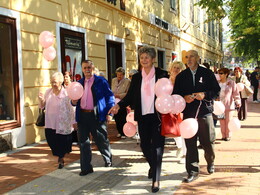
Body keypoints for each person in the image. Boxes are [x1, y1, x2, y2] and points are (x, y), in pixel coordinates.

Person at [109, 46, 168, 193]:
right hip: (143, 117)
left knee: (158, 148)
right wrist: (118, 105)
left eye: (147, 57)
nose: (144, 60)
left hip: (158, 116)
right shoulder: (136, 78)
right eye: (142, 58)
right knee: (144, 146)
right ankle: (153, 166)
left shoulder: (162, 74)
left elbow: (168, 92)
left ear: (153, 59)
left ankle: (156, 179)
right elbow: (129, 97)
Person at [173, 50, 220, 183]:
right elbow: (175, 94)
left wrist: (205, 95)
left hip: (204, 112)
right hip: (189, 115)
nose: (189, 59)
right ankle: (192, 171)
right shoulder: (181, 76)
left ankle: (210, 161)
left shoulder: (207, 73)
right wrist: (184, 97)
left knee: (208, 142)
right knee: (190, 144)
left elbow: (216, 91)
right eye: (187, 57)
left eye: (192, 56)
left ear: (198, 58)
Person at [71, 60, 114, 176]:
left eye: (89, 67)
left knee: (101, 140)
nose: (87, 70)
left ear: (93, 68)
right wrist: (73, 101)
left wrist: (110, 114)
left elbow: (110, 97)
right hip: (82, 116)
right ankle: (86, 168)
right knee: (83, 143)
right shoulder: (79, 83)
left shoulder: (101, 81)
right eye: (85, 68)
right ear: (82, 69)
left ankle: (108, 158)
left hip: (97, 116)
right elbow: (73, 102)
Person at [38, 72, 75, 169]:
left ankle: (61, 158)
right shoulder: (48, 92)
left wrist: (74, 121)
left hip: (63, 123)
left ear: (61, 82)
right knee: (51, 141)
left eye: (55, 82)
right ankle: (59, 155)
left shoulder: (66, 93)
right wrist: (41, 100)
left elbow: (72, 108)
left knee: (62, 142)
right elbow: (42, 106)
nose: (53, 84)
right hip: (50, 122)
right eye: (51, 82)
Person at [168, 61, 187, 164]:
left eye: (178, 68)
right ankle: (179, 146)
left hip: (182, 109)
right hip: (169, 110)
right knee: (173, 132)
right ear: (171, 69)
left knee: (183, 131)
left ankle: (185, 154)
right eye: (174, 67)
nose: (176, 70)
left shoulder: (184, 81)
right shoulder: (166, 82)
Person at [218, 68, 241, 141]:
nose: (220, 75)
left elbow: (236, 93)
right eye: (219, 73)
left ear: (226, 74)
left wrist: (237, 101)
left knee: (228, 121)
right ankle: (223, 135)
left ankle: (228, 135)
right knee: (222, 121)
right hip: (219, 106)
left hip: (229, 105)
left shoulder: (231, 83)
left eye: (221, 73)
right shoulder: (217, 83)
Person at [111, 67, 131, 138]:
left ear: (123, 75)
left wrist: (118, 95)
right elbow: (111, 89)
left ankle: (123, 133)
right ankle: (119, 131)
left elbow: (127, 93)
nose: (119, 76)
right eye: (118, 74)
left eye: (121, 75)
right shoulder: (113, 80)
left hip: (122, 101)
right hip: (114, 101)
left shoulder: (127, 82)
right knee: (116, 117)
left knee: (122, 117)